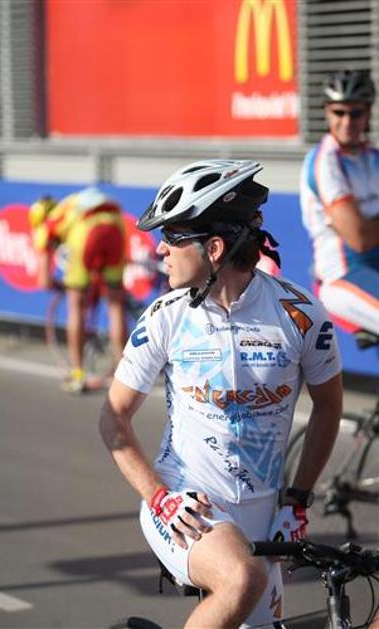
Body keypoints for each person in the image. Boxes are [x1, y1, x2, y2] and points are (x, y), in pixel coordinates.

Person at [99, 160, 343, 628]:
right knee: (240, 578)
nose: (160, 249)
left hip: (263, 507)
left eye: (173, 237)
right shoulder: (166, 316)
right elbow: (113, 418)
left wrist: (297, 500)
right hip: (185, 504)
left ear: (213, 249)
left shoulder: (301, 314)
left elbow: (329, 406)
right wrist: (159, 497)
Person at [300, 69, 379, 336]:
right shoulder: (325, 161)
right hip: (342, 275)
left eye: (355, 113)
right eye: (338, 113)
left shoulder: (373, 157)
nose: (347, 122)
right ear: (327, 112)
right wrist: (364, 226)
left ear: (367, 113)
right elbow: (359, 238)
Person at [29, 187, 128, 393]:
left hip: (86, 231)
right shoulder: (69, 204)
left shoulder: (48, 224)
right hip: (116, 224)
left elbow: (44, 281)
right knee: (115, 306)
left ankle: (78, 375)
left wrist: (65, 287)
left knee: (76, 306)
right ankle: (125, 376)